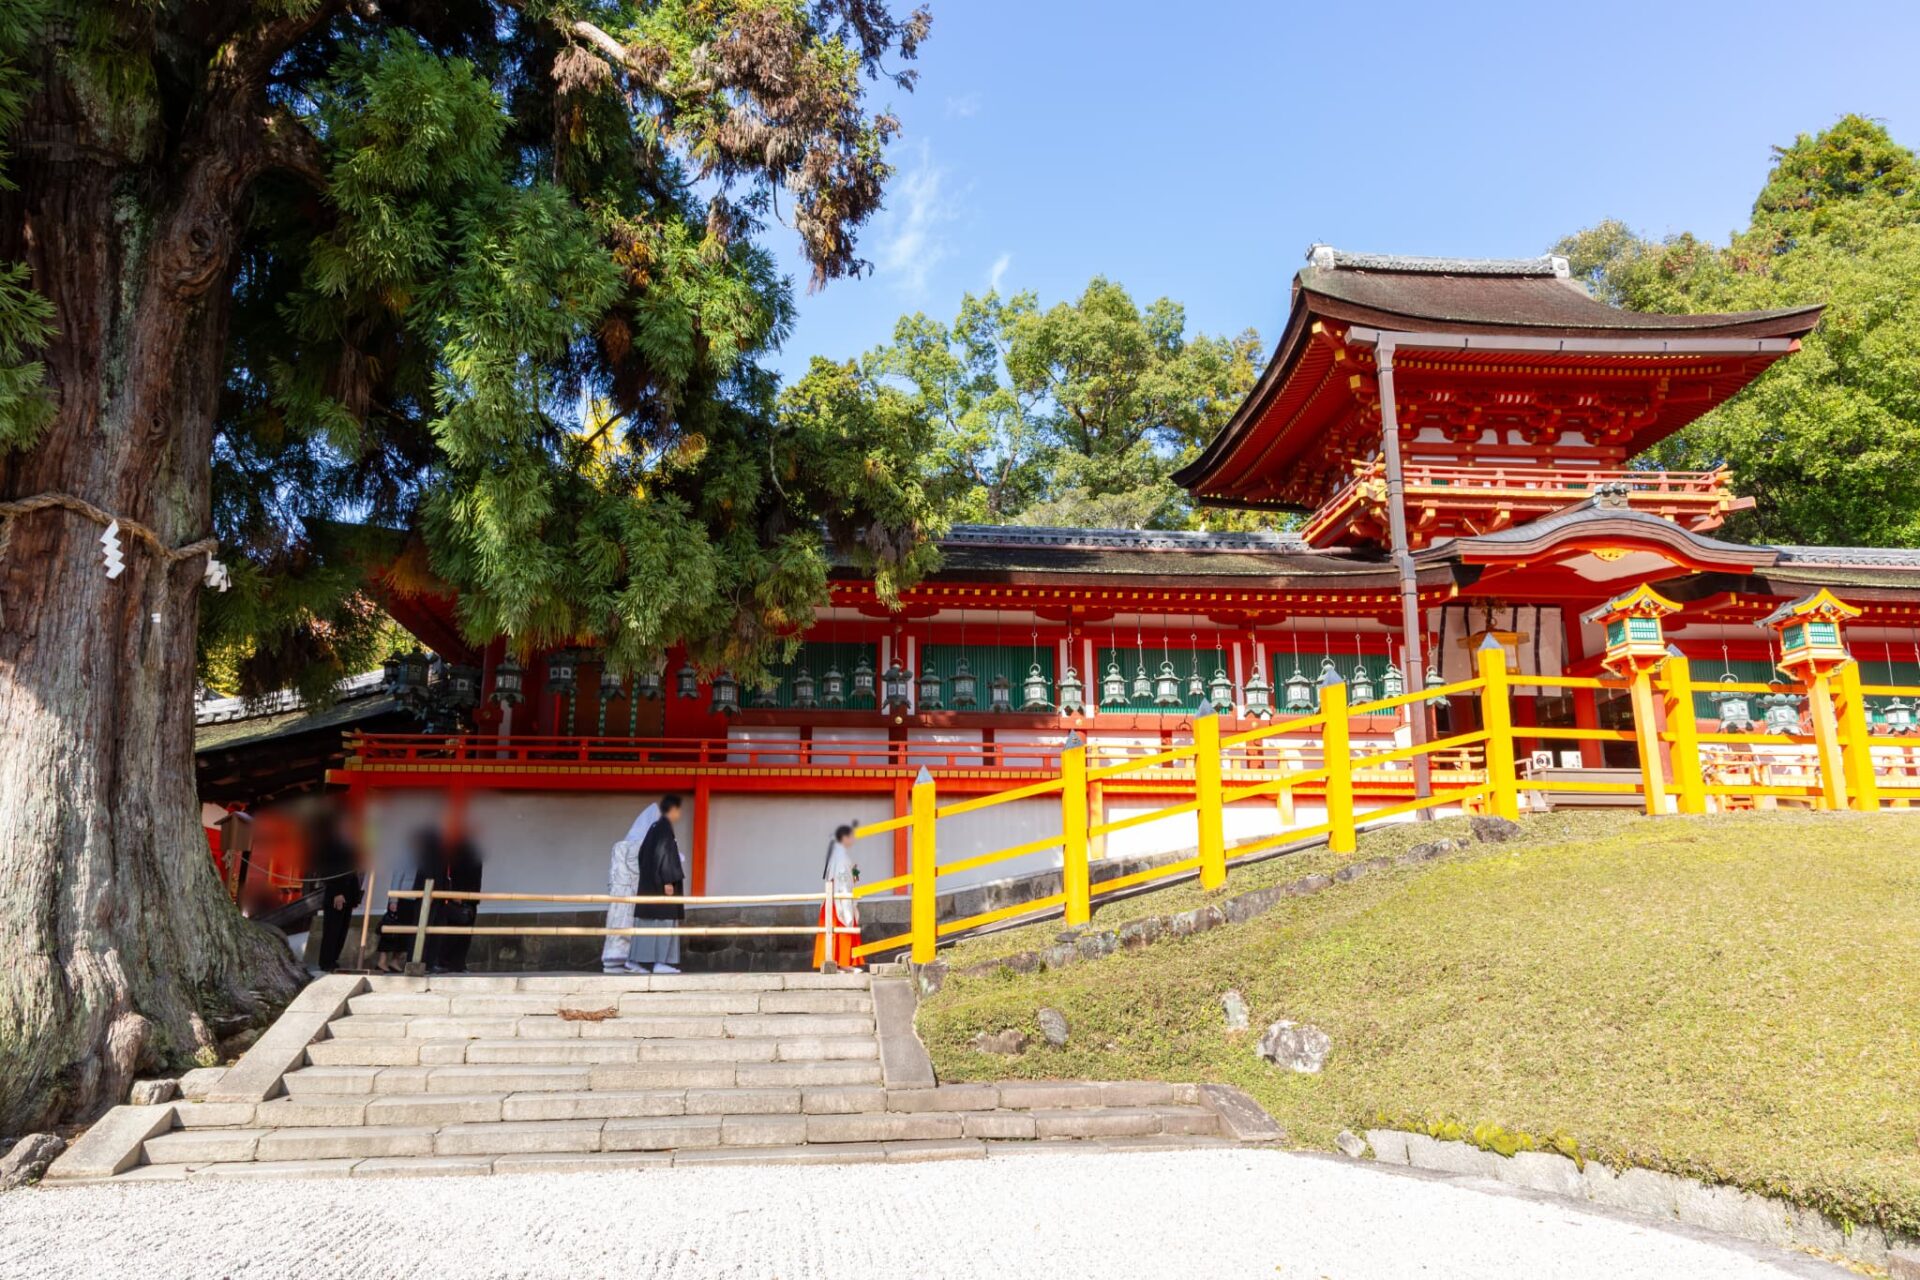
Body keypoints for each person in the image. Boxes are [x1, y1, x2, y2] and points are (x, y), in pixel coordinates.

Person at [628, 795, 685, 974]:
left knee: (645, 924)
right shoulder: (664, 828)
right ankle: (660, 962)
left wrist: (649, 877)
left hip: (649, 885)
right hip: (661, 887)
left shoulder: (654, 828)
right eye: (678, 810)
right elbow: (664, 853)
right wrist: (668, 880)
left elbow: (642, 855)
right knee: (663, 923)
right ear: (673, 810)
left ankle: (633, 961)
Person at [603, 799, 660, 973]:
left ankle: (612, 960)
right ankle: (624, 961)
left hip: (617, 891)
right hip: (631, 890)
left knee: (616, 921)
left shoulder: (619, 846)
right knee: (627, 923)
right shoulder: (639, 846)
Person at [307, 809, 363, 972]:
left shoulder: (349, 843)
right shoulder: (329, 844)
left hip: (349, 891)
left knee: (342, 929)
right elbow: (328, 870)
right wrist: (337, 893)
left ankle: (334, 959)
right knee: (332, 929)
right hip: (336, 891)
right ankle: (326, 961)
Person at [376, 828, 439, 973]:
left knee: (406, 932)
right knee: (391, 930)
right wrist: (393, 900)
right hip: (402, 897)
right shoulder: (405, 856)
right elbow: (397, 877)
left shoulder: (422, 857)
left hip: (413, 897)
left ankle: (395, 960)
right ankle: (382, 961)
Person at [427, 833, 485, 973]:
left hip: (472, 898)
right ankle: (444, 961)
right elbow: (451, 876)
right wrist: (454, 893)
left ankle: (459, 963)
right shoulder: (456, 856)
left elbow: (477, 878)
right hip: (457, 897)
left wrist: (474, 896)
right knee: (452, 933)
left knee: (466, 935)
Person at [813, 823, 863, 970]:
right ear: (845, 838)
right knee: (841, 928)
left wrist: (854, 873)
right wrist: (847, 899)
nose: (853, 839)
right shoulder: (841, 857)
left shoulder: (837, 855)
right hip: (840, 898)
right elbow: (843, 880)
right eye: (851, 836)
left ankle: (841, 964)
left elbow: (847, 876)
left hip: (834, 898)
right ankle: (844, 963)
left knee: (834, 930)